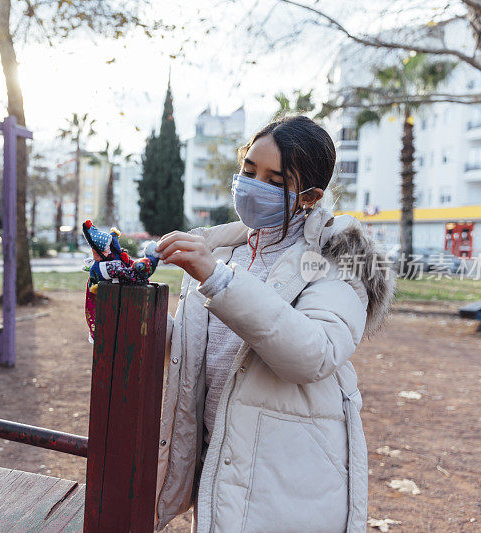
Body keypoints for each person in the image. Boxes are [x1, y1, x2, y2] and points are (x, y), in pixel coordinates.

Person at [153, 115, 395, 533]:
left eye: (274, 180)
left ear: (310, 195)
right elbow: (197, 353)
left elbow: (313, 355)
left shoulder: (337, 260)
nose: (254, 185)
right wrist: (125, 311)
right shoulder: (225, 252)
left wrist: (218, 280)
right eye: (249, 171)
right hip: (221, 456)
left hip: (286, 475)